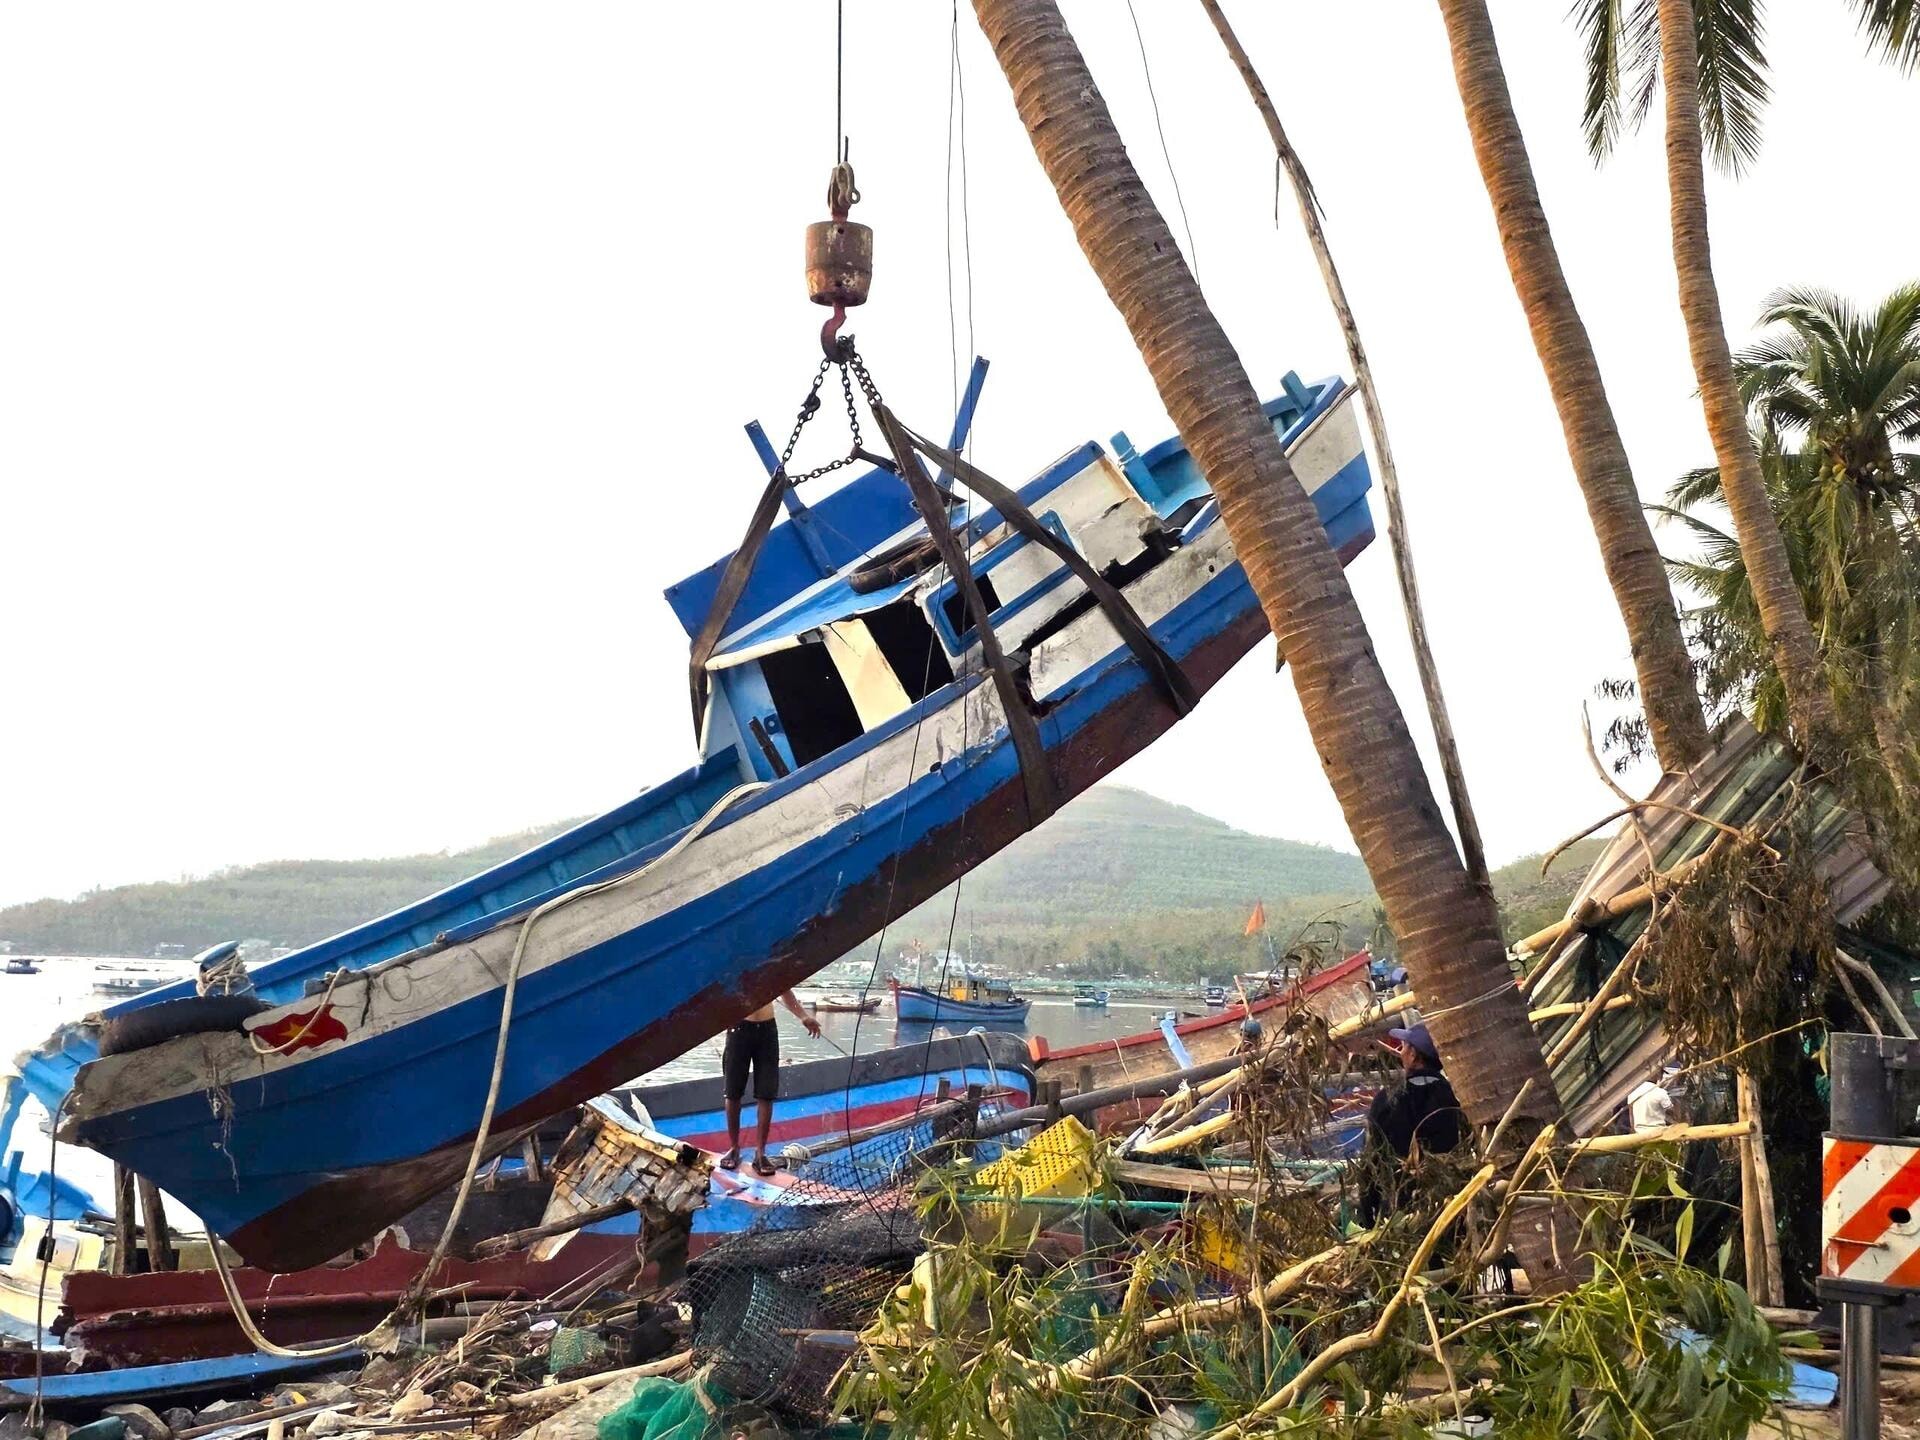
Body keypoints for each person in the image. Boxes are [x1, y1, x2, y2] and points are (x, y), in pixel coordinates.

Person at [1358, 1022, 1463, 1225]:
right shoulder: (1453, 1097)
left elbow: (1371, 1158)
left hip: (1400, 1209)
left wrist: (1367, 1214)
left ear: (1414, 1055)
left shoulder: (1388, 1099)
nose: (1401, 1052)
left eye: (1404, 1046)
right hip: (1449, 1206)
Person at [721, 989, 821, 1176]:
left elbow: (784, 989)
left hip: (767, 1030)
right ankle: (734, 1148)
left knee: (766, 1093)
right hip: (738, 1027)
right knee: (733, 1092)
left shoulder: (767, 965)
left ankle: (760, 1153)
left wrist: (803, 1017)